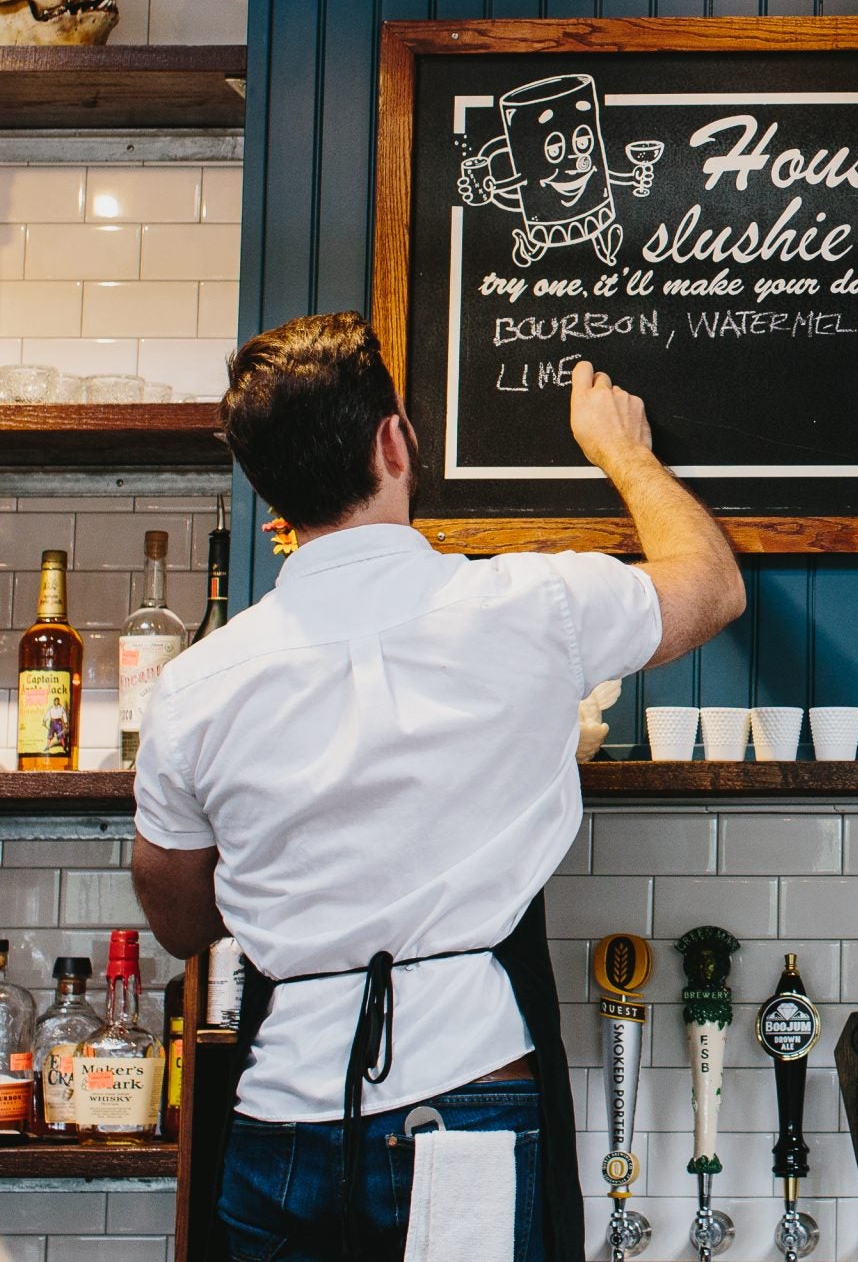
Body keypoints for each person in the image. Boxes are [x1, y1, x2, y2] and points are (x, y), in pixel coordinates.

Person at [128, 313, 743, 1260]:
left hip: (281, 1117)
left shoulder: (196, 685)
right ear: (394, 440)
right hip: (472, 1100)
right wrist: (623, 454)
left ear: (267, 491)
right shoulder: (528, 606)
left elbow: (175, 920)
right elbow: (708, 585)